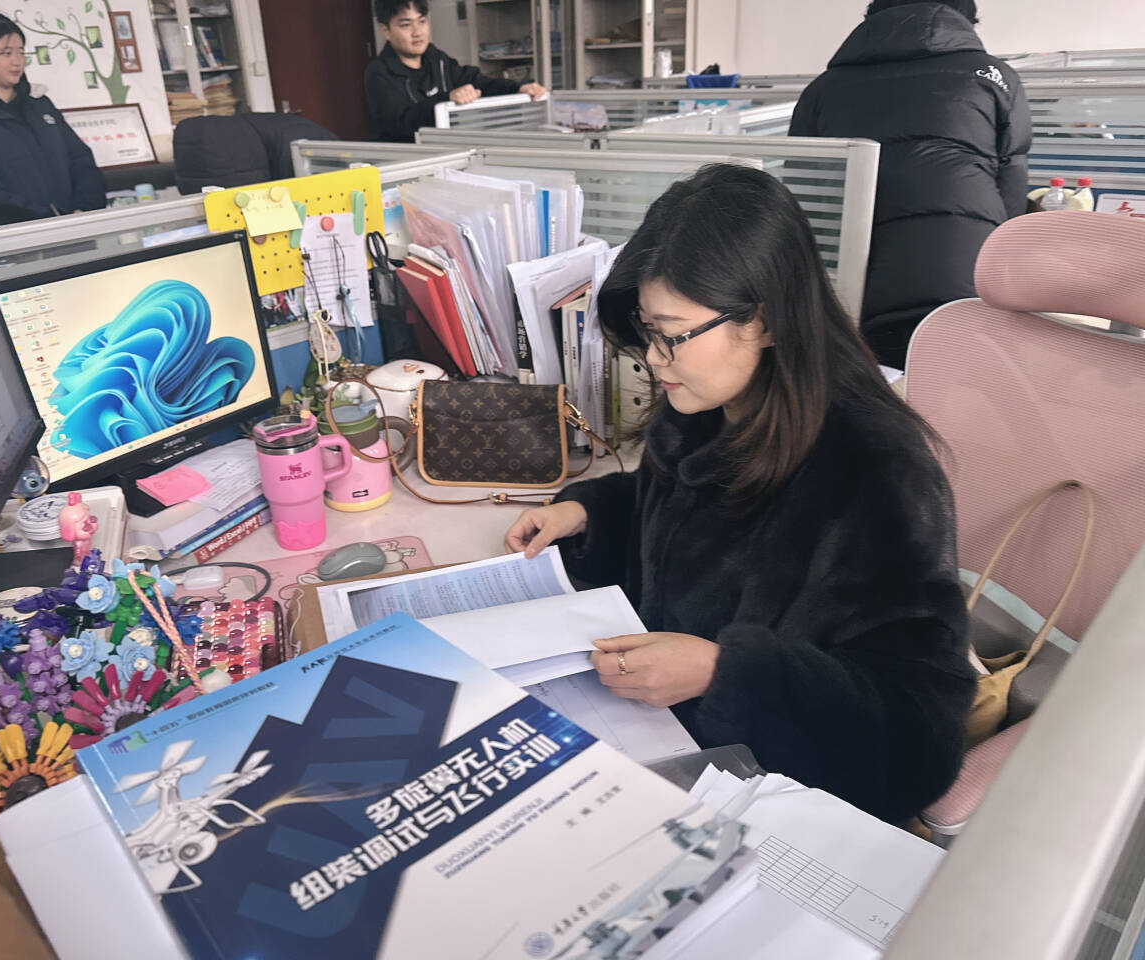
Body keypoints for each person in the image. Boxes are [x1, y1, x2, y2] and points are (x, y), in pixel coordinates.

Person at [504, 164, 977, 824]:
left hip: (765, 799)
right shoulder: (705, 409)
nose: (653, 357)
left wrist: (725, 675)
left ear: (766, 321)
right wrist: (589, 514)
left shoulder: (874, 472)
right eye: (645, 329)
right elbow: (678, 525)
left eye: (671, 333)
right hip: (649, 735)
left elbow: (917, 738)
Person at [788, 0, 1031, 369]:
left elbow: (807, 200)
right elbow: (1011, 195)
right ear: (964, 19)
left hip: (854, 293)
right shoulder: (993, 76)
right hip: (968, 284)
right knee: (958, 391)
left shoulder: (822, 89)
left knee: (878, 390)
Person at [0, 11, 106, 229]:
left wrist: (83, 209)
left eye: (21, 52)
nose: (17, 61)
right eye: (6, 53)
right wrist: (48, 221)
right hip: (19, 239)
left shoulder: (40, 104)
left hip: (76, 227)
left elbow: (81, 161)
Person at [365, 0, 547, 143]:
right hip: (405, 160)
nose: (417, 32)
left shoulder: (437, 60)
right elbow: (401, 122)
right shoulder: (378, 72)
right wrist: (447, 98)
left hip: (444, 152)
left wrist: (518, 88)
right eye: (406, 25)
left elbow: (478, 82)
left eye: (422, 21)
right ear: (386, 30)